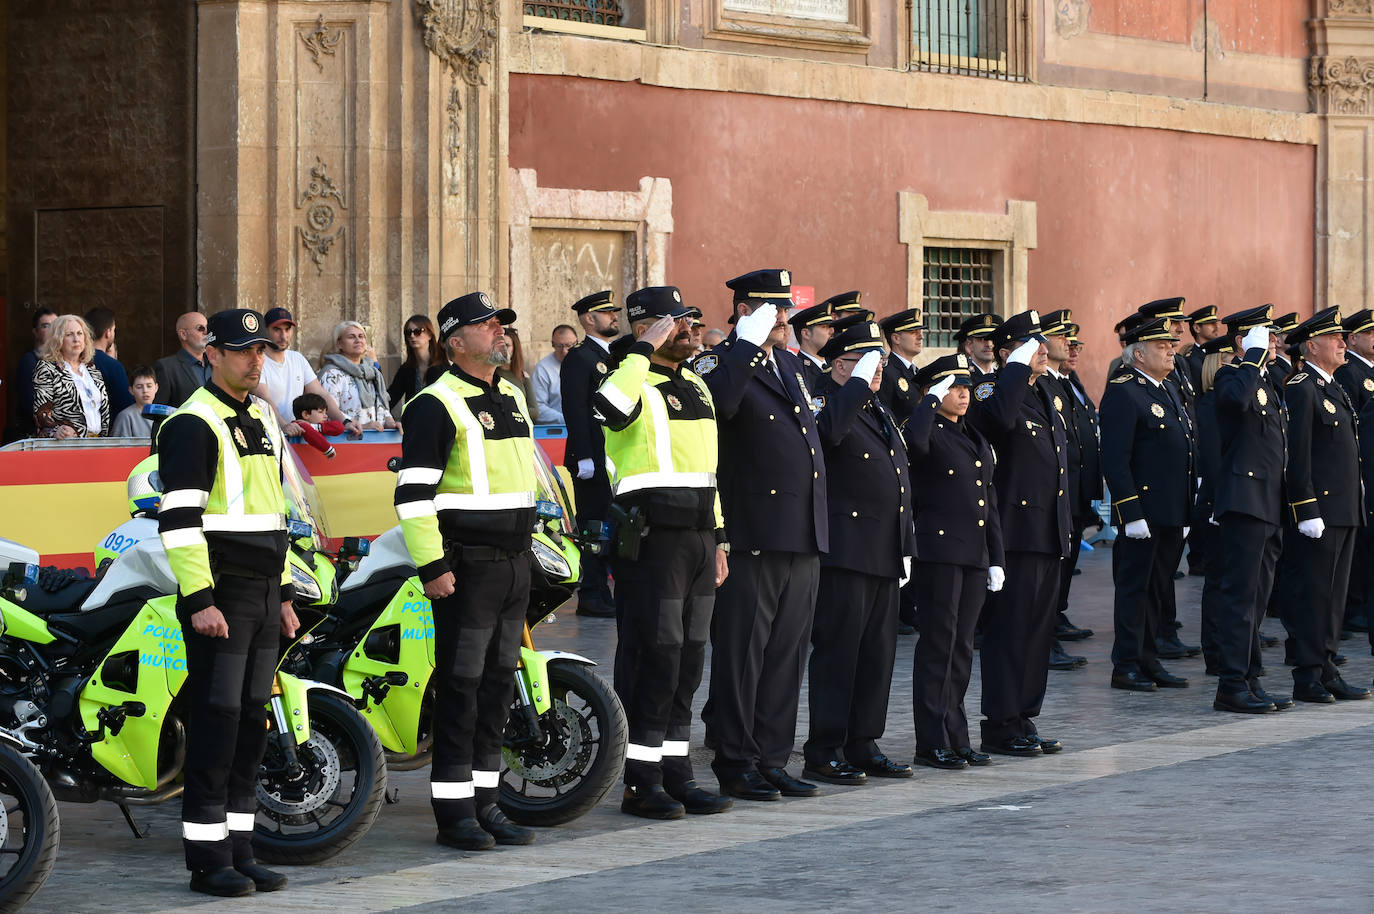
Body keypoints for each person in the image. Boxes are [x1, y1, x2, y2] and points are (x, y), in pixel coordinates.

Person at [155, 307, 299, 897]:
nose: (255, 358)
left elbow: (276, 514)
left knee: (250, 725)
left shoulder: (262, 416)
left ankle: (242, 847)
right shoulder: (193, 423)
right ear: (211, 353)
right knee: (216, 724)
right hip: (223, 595)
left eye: (261, 349)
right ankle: (208, 859)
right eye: (242, 350)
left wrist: (287, 593)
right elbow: (180, 522)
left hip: (264, 593)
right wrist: (199, 600)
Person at [393, 290, 540, 850]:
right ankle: (454, 814)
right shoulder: (434, 403)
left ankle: (488, 802)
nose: (501, 331)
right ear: (456, 342)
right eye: (488, 325)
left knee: (499, 685)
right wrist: (431, 564)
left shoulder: (513, 395)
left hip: (513, 565)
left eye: (502, 323)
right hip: (467, 570)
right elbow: (412, 496)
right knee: (462, 687)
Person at [592, 285, 732, 820]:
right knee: (655, 657)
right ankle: (640, 781)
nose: (690, 329)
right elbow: (608, 409)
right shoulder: (625, 378)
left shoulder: (695, 382)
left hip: (697, 537)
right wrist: (640, 351)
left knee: (689, 660)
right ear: (646, 327)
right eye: (676, 321)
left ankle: (678, 773)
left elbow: (707, 470)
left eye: (691, 321)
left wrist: (719, 538)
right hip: (651, 538)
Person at [699, 268, 827, 801]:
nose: (783, 318)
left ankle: (772, 757)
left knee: (785, 656)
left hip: (799, 534)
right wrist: (745, 349)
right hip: (752, 532)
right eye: (773, 308)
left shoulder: (791, 365)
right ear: (747, 309)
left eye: (786, 307)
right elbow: (719, 406)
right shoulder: (720, 362)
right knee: (743, 655)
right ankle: (735, 760)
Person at [801, 320, 914, 784]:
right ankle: (825, 749)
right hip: (846, 552)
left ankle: (863, 741)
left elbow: (899, 476)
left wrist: (905, 543)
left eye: (881, 362)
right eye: (869, 362)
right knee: (839, 653)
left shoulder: (874, 403)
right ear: (842, 362)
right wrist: (855, 387)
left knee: (877, 654)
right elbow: (829, 435)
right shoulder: (827, 397)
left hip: (883, 549)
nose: (878, 370)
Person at [966, 310, 1070, 757]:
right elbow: (1000, 423)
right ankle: (1001, 723)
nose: (1043, 350)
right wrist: (1012, 369)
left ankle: (1025, 716)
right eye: (1031, 344)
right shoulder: (994, 389)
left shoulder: (1046, 389)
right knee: (1010, 631)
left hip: (1048, 529)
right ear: (1008, 352)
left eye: (1042, 343)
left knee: (1036, 630)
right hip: (1016, 531)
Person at [905, 354, 1004, 770]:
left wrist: (995, 557)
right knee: (938, 646)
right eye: (952, 387)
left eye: (965, 387)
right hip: (940, 554)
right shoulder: (928, 430)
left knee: (961, 648)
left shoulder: (972, 436)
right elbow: (915, 445)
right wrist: (927, 402)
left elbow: (990, 503)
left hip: (972, 556)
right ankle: (931, 740)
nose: (962, 394)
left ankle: (956, 734)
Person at [1100, 315, 1196, 693]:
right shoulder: (1124, 391)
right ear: (1138, 354)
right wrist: (1130, 511)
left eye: (1171, 345)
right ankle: (1126, 665)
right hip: (1143, 513)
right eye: (1162, 346)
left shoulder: (1167, 386)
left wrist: (1186, 508)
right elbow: (1115, 458)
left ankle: (1149, 658)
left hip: (1172, 511)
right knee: (1134, 590)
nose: (1171, 350)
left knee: (1158, 590)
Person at [1282, 307, 1370, 703]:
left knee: (1334, 594)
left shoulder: (1332, 386)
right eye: (1333, 338)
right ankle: (1308, 674)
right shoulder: (1302, 387)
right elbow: (1297, 455)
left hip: (1345, 509)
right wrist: (1306, 508)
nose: (1341, 343)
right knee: (1315, 593)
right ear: (1311, 346)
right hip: (1321, 511)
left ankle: (1327, 666)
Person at [1209, 306, 1291, 713]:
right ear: (1243, 341)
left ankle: (1250, 678)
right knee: (1240, 597)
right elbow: (1236, 403)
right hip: (1243, 501)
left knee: (1257, 598)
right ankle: (1230, 686)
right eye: (1266, 337)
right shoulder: (1230, 376)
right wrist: (1252, 357)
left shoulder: (1268, 379)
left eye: (1274, 337)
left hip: (1269, 502)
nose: (1274, 343)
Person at [561, 290, 622, 618]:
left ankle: (605, 590)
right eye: (607, 312)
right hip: (593, 457)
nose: (614, 316)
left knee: (611, 523)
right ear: (588, 319)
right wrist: (584, 455)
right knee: (594, 526)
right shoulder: (579, 357)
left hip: (615, 456)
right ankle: (592, 593)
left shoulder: (616, 356)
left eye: (614, 311)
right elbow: (575, 409)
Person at [1041, 309, 1090, 670]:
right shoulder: (1043, 383)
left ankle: (1055, 624)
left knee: (1064, 566)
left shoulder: (1064, 381)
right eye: (1062, 338)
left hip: (1072, 490)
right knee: (1052, 573)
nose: (1069, 346)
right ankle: (1047, 638)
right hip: (1054, 493)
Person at [252, 308, 356, 438]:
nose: (283, 336)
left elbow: (320, 393)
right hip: (269, 435)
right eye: (277, 329)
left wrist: (345, 421)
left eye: (287, 329)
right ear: (265, 330)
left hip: (298, 436)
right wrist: (284, 426)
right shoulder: (258, 361)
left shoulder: (297, 358)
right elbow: (264, 399)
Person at [1058, 322, 1100, 645]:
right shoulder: (1050, 384)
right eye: (1068, 344)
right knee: (1059, 560)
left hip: (1078, 486)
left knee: (1070, 557)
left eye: (1077, 346)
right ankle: (1052, 621)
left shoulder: (1074, 383)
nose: (1074, 351)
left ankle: (1059, 611)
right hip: (1063, 487)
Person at [1334, 309, 1374, 637]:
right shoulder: (1350, 372)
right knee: (1361, 541)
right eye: (1370, 333)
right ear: (1353, 339)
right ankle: (1356, 606)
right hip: (1361, 465)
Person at [32, 314, 110, 438]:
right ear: (58, 339)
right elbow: (41, 413)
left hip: (98, 443)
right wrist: (55, 431)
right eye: (69, 335)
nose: (76, 339)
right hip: (66, 445)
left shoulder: (92, 370)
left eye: (80, 333)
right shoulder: (47, 368)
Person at [319, 321, 399, 431]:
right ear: (339, 344)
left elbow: (381, 407)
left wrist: (390, 422)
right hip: (346, 442)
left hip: (375, 442)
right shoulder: (332, 374)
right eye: (351, 337)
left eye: (361, 336)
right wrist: (364, 427)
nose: (358, 340)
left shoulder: (372, 372)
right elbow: (327, 415)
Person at [388, 314, 449, 412]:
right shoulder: (406, 369)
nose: (412, 336)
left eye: (418, 331)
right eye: (408, 333)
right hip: (413, 423)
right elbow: (390, 398)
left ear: (429, 334)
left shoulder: (443, 368)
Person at [14, 307, 57, 437]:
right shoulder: (29, 362)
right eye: (46, 326)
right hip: (39, 436)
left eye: (56, 325)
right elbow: (31, 404)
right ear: (36, 332)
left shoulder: (65, 362)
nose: (52, 330)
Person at [154, 312, 213, 406]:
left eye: (208, 328)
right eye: (200, 328)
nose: (206, 332)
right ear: (183, 334)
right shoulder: (166, 367)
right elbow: (160, 411)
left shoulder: (216, 363)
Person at [85, 306, 134, 415]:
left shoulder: (74, 360)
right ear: (108, 332)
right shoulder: (113, 366)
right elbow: (126, 406)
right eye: (114, 330)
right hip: (109, 429)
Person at [877, 308, 923, 418]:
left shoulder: (917, 372)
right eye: (913, 332)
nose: (921, 337)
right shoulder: (886, 373)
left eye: (920, 332)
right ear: (896, 338)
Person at [530, 324, 577, 424]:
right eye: (559, 346)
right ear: (552, 344)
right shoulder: (543, 368)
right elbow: (538, 408)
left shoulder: (585, 363)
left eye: (569, 345)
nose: (564, 351)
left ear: (577, 343)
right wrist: (566, 420)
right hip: (557, 430)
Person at [789, 301, 834, 394]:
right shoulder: (797, 370)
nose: (831, 331)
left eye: (830, 327)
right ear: (806, 334)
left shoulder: (835, 363)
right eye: (824, 327)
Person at [292, 392, 346, 459]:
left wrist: (315, 427)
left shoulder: (316, 425)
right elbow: (313, 435)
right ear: (306, 414)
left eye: (325, 413)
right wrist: (328, 450)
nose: (325, 416)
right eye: (321, 412)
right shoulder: (298, 424)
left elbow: (340, 427)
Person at [1181, 305, 1223, 391]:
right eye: (1211, 323)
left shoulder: (1220, 354)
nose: (1217, 327)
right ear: (1197, 328)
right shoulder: (1191, 360)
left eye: (1216, 323)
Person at [111, 365, 159, 438]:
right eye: (139, 387)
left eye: (149, 386)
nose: (145, 391)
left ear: (156, 388)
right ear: (131, 390)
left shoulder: (161, 414)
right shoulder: (126, 416)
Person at [956, 313, 1003, 378]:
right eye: (982, 339)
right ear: (969, 345)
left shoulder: (1003, 377)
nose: (989, 345)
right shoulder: (962, 378)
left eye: (993, 339)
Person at [498, 326, 535, 407]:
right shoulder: (491, 375)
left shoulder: (522, 375)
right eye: (500, 344)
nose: (502, 349)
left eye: (507, 345)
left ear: (515, 348)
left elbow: (534, 411)